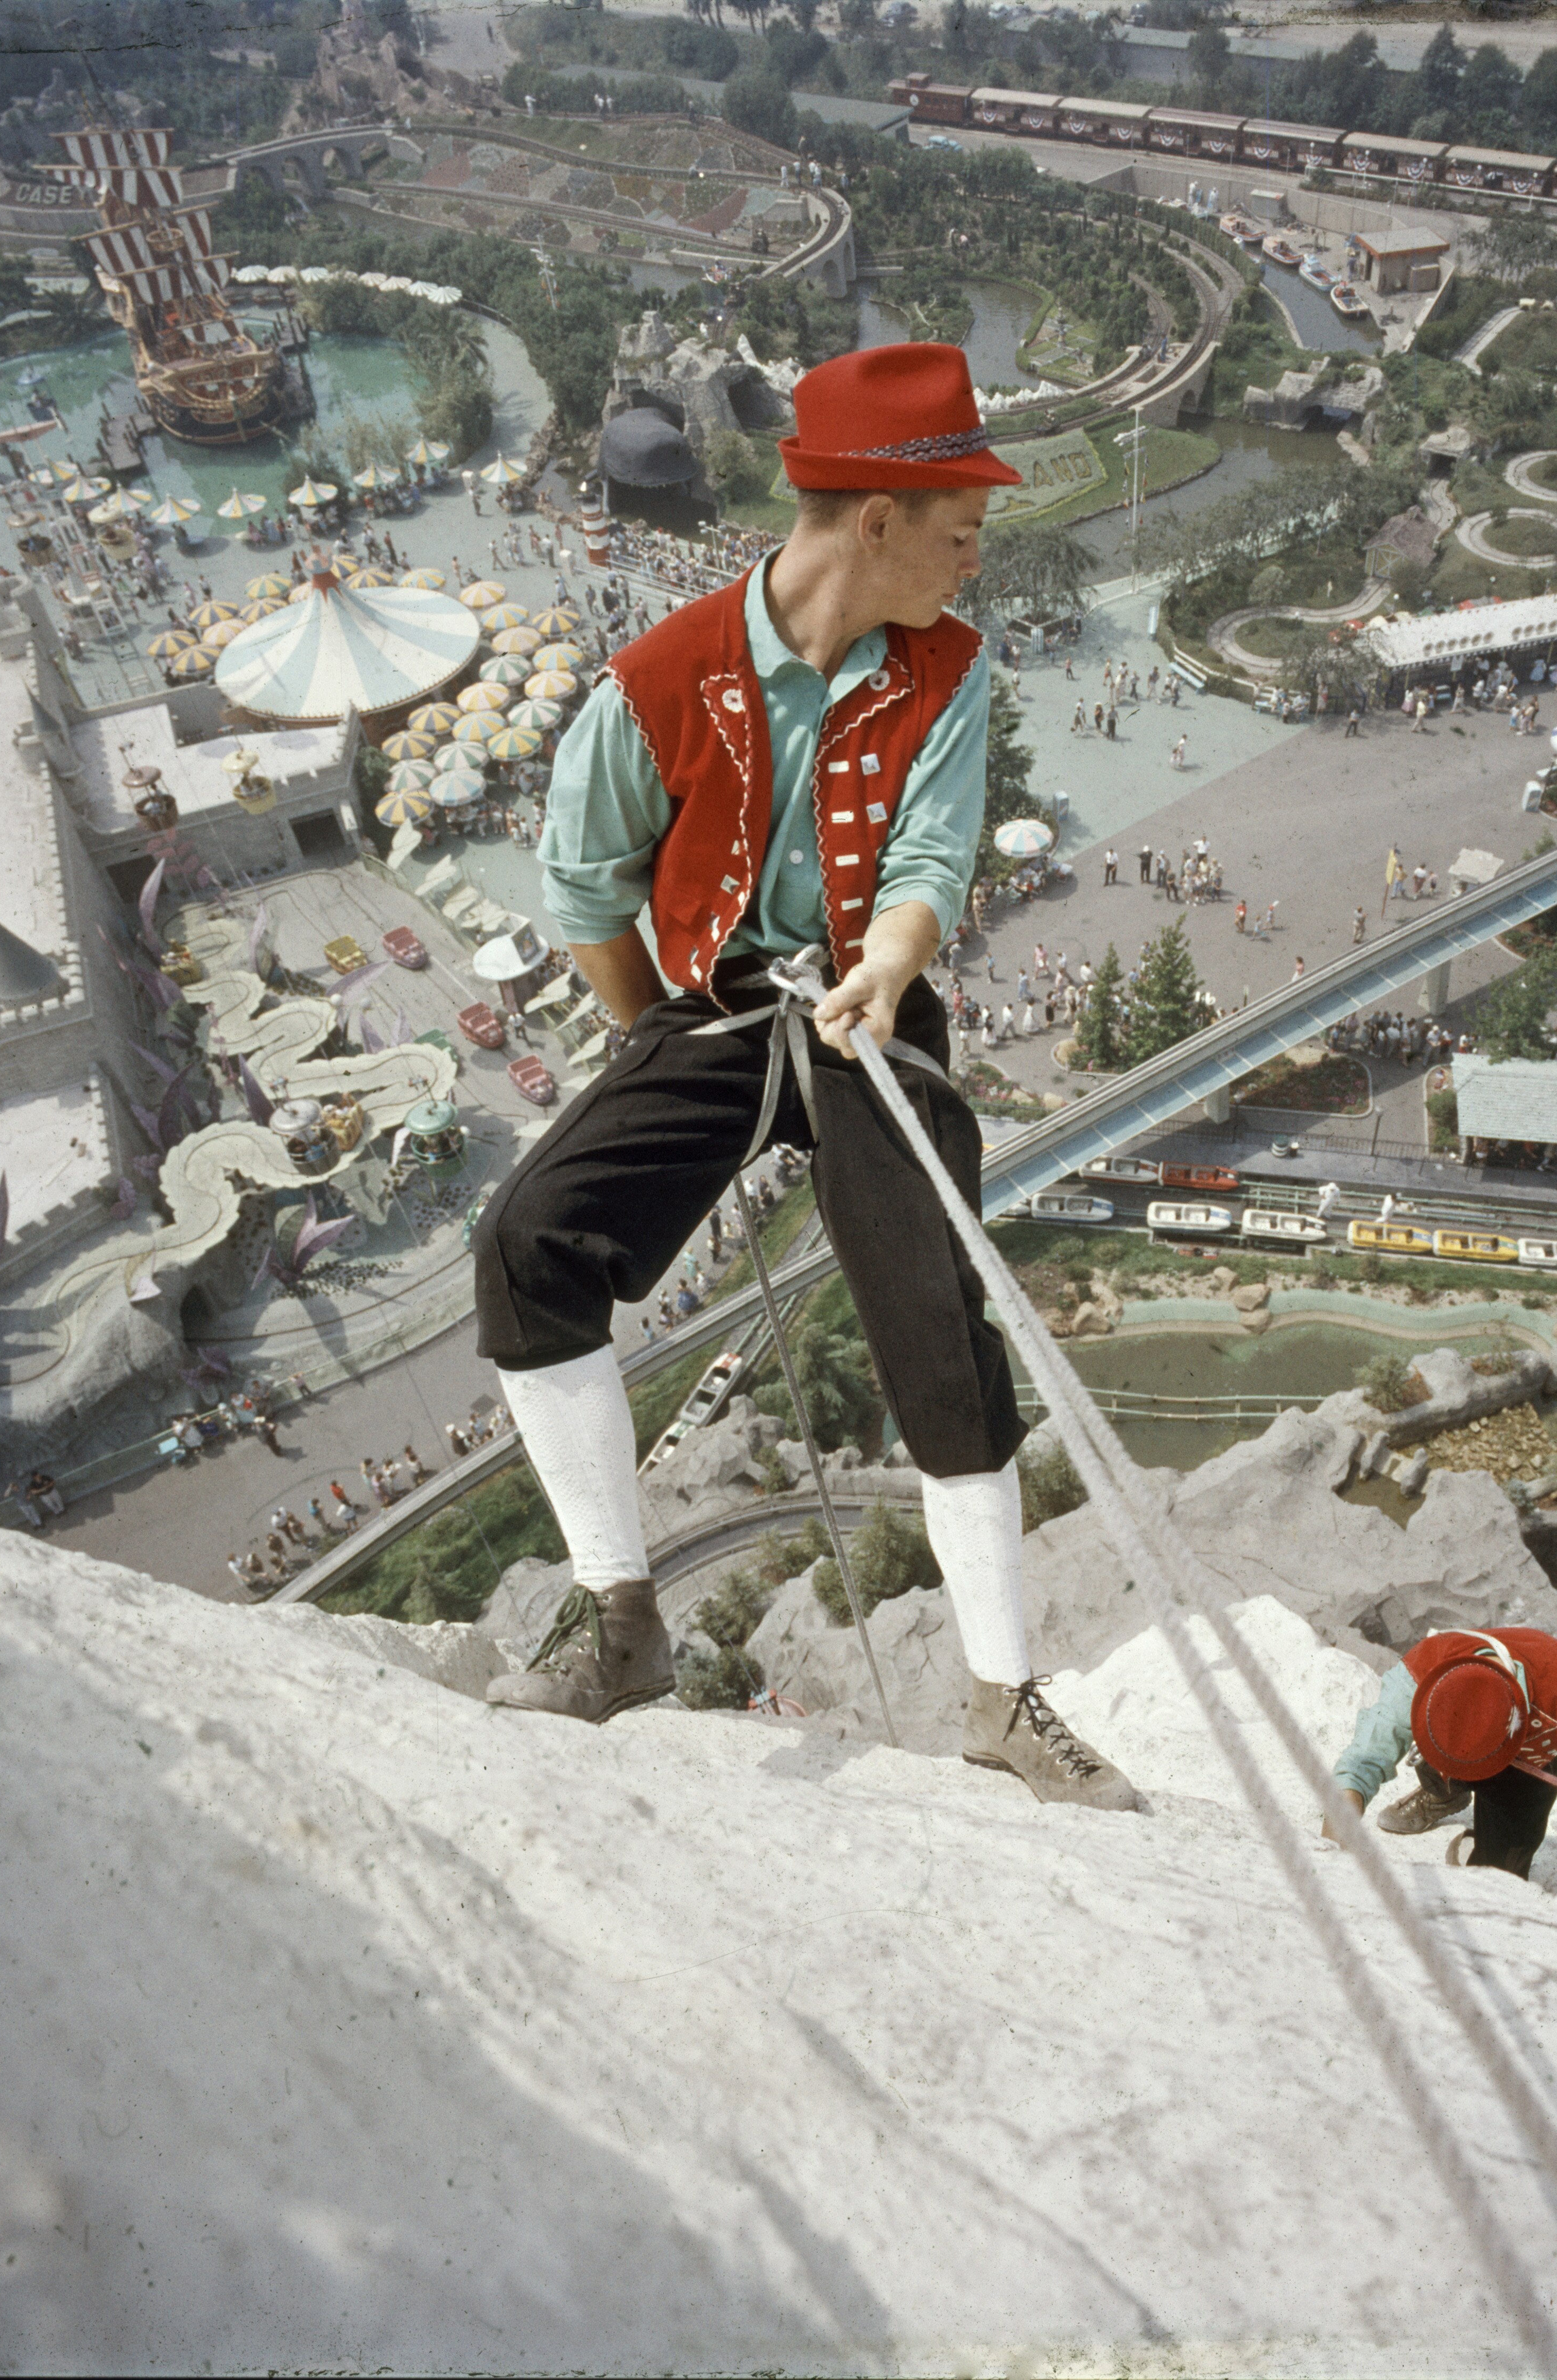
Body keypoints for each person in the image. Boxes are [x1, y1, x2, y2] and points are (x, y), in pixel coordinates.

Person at [472, 343, 1136, 1810]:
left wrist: (889, 966)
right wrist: (650, 1026)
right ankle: (620, 1623)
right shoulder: (657, 680)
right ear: (873, 521)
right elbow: (582, 886)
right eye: (960, 528)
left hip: (865, 1015)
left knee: (940, 1332)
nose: (975, 559)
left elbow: (929, 859)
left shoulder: (947, 671)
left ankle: (1003, 1700)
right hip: (711, 1012)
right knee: (526, 1245)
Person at [1325, 1626, 1557, 1881]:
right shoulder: (1418, 1676)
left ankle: (1485, 1818)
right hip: (1444, 1753)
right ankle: (1444, 1792)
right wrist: (1327, 1862)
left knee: (1499, 1880)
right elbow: (1359, 1767)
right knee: (1439, 1755)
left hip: (1523, 1770)